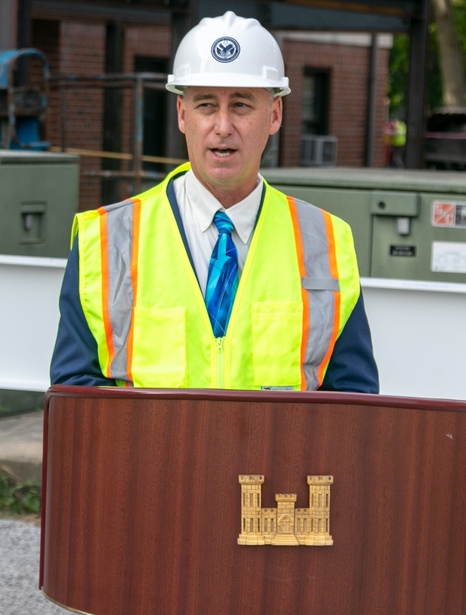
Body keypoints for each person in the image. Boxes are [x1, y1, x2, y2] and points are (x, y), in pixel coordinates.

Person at [50, 11, 377, 394]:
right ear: (182, 114)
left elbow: (354, 403)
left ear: (274, 114)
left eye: (241, 105)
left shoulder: (326, 242)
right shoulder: (105, 241)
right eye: (206, 105)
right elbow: (75, 396)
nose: (223, 126)